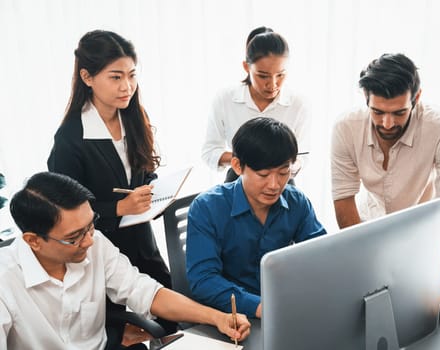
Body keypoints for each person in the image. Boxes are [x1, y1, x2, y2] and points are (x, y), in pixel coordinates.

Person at [0, 171, 250, 350]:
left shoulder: (95, 243)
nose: (89, 240)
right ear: (33, 240)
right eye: (74, 237)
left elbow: (146, 292)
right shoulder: (5, 278)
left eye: (90, 225)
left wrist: (218, 317)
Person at [47, 30, 175, 335]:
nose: (127, 86)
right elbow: (63, 212)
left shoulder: (132, 116)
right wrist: (118, 207)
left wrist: (154, 190)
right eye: (115, 77)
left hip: (143, 244)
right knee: (113, 335)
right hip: (97, 256)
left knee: (171, 321)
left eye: (131, 75)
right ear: (87, 77)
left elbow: (142, 173)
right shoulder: (70, 138)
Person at [330, 53, 440, 296]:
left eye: (399, 113)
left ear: (417, 98)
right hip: (365, 229)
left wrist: (439, 278)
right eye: (377, 112)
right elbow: (343, 196)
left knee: (420, 314)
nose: (386, 123)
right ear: (366, 98)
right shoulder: (345, 127)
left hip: (422, 237)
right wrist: (361, 263)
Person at [187, 117, 326, 319]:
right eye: (263, 174)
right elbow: (204, 281)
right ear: (237, 166)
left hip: (284, 309)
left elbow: (321, 256)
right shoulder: (206, 208)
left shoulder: (297, 202)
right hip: (228, 318)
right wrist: (260, 306)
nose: (274, 185)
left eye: (283, 172)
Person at [201, 26, 311, 182]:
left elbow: (303, 155)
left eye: (280, 74)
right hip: (238, 181)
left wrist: (286, 166)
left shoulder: (298, 104)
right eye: (263, 76)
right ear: (246, 67)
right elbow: (210, 151)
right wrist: (247, 159)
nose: (273, 84)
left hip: (282, 183)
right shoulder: (225, 99)